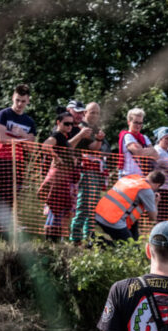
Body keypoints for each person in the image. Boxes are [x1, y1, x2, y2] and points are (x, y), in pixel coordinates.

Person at [0, 84, 37, 234]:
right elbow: (1, 138)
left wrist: (22, 135)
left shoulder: (29, 121)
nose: (19, 104)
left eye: (23, 101)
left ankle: (8, 227)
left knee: (14, 195)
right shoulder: (4, 114)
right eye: (17, 100)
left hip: (18, 160)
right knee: (1, 194)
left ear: (28, 101)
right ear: (13, 97)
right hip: (2, 158)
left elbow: (31, 147)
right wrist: (22, 140)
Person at [70, 101, 109, 244]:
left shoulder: (96, 129)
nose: (95, 115)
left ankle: (89, 238)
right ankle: (75, 238)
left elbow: (102, 149)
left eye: (97, 113)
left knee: (93, 206)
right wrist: (98, 141)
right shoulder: (80, 127)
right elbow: (93, 147)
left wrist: (99, 140)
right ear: (85, 113)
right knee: (83, 205)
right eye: (92, 112)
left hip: (97, 171)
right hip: (84, 170)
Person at [93, 169, 165, 243]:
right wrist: (156, 202)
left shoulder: (131, 178)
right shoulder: (146, 190)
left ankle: (95, 239)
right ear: (158, 185)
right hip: (112, 220)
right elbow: (153, 217)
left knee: (132, 239)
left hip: (99, 214)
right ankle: (96, 241)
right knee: (129, 247)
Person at [40, 109, 78, 241]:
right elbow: (45, 146)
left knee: (57, 210)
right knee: (56, 209)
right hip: (58, 179)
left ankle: (52, 241)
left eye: (71, 124)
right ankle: (51, 240)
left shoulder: (64, 137)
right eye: (66, 123)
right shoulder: (57, 135)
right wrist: (56, 157)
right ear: (58, 122)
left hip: (63, 179)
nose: (69, 126)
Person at [118, 107, 156, 178]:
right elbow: (139, 153)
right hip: (128, 176)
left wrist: (143, 150)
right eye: (135, 122)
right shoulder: (127, 136)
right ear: (129, 122)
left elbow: (156, 155)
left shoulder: (144, 137)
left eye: (140, 123)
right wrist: (149, 151)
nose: (138, 125)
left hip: (142, 177)